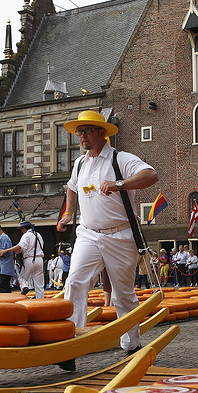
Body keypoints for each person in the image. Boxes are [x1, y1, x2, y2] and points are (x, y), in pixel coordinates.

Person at [56, 110, 158, 363]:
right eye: (79, 132)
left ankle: (131, 345)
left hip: (120, 235)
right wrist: (69, 213)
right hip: (88, 234)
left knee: (123, 294)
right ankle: (72, 343)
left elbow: (151, 175)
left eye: (87, 130)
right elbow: (71, 187)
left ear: (102, 132)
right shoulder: (80, 163)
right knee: (75, 282)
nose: (81, 136)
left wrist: (120, 184)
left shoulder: (120, 159)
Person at [1, 221, 45, 298]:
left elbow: (20, 246)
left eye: (21, 229)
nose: (21, 231)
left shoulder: (26, 235)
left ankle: (24, 287)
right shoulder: (38, 235)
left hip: (29, 259)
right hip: (40, 259)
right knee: (39, 284)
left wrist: (6, 250)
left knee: (22, 278)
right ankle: (40, 301)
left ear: (24, 228)